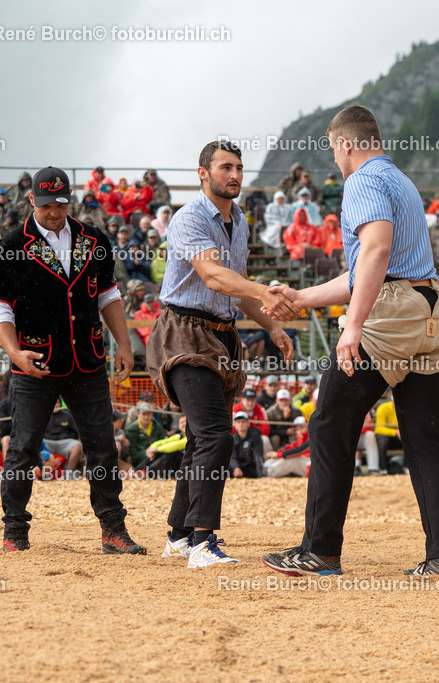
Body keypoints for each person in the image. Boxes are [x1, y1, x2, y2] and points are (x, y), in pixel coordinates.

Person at [259, 106, 439, 579]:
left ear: (346, 144)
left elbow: (376, 251)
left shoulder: (362, 181)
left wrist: (352, 326)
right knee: (424, 436)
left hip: (390, 314)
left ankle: (321, 551)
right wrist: (303, 297)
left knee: (330, 421)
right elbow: (366, 268)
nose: (335, 160)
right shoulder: (401, 181)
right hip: (430, 311)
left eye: (333, 149)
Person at [147, 140, 295, 568]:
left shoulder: (240, 221)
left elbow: (236, 283)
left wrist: (272, 325)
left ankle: (178, 535)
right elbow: (213, 276)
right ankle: (202, 541)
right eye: (225, 167)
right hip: (182, 333)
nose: (234, 175)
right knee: (216, 436)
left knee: (200, 437)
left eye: (239, 168)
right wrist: (267, 292)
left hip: (221, 335)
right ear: (202, 173)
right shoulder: (189, 217)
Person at [0, 166, 144, 554]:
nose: (53, 211)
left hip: (87, 358)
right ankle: (14, 531)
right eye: (45, 204)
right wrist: (14, 352)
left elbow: (108, 295)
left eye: (60, 203)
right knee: (22, 448)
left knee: (103, 446)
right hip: (34, 361)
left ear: (69, 199)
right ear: (31, 200)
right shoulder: (9, 246)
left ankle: (112, 530)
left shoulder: (94, 239)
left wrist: (124, 344)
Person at [41, 401, 84, 476]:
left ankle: (69, 474)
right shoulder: (42, 415)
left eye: (57, 403)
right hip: (47, 442)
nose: (56, 405)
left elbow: (76, 432)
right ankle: (42, 474)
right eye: (54, 403)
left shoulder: (67, 414)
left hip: (65, 442)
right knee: (36, 445)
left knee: (77, 446)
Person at [124, 402, 166, 469]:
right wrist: (147, 453)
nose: (146, 417)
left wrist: (155, 451)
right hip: (139, 462)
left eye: (148, 414)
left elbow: (164, 442)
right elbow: (133, 453)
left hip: (157, 456)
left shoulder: (157, 427)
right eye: (143, 414)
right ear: (138, 414)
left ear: (151, 414)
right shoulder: (131, 430)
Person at [229, 411, 264, 478]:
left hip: (251, 469)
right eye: (238, 422)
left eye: (243, 421)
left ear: (248, 423)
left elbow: (258, 455)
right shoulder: (233, 439)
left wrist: (261, 475)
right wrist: (236, 468)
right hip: (237, 469)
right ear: (235, 424)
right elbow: (232, 457)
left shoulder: (255, 436)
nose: (241, 424)